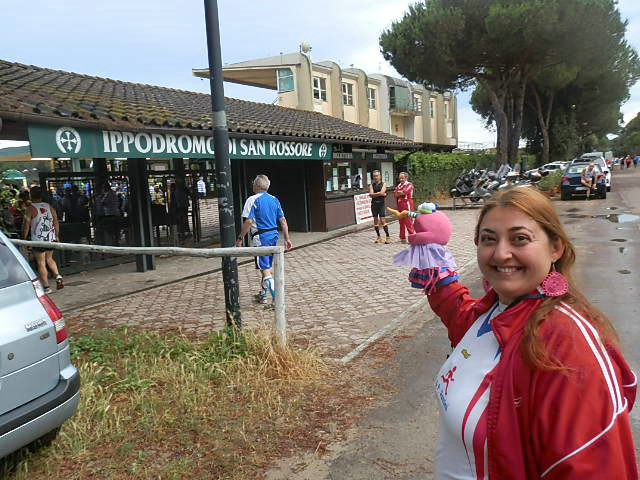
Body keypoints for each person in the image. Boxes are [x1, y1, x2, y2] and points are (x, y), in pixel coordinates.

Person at [421, 188, 636, 478]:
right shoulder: (497, 310)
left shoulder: (565, 346)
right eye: (489, 239)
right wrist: (437, 272)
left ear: (555, 248)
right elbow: (465, 321)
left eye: (519, 238)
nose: (501, 253)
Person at [235, 175, 292, 304]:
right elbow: (283, 220)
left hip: (261, 237)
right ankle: (264, 294)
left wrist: (240, 238)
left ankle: (277, 299)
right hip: (274, 236)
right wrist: (287, 238)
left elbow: (249, 221)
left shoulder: (252, 200)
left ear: (255, 185)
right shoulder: (274, 199)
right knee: (267, 266)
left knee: (264, 268)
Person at [22, 187, 63, 293]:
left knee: (41, 262)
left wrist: (24, 239)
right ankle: (57, 275)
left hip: (38, 240)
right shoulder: (49, 207)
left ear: (31, 195)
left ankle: (46, 287)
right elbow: (56, 222)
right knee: (50, 259)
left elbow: (26, 226)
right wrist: (56, 235)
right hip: (50, 238)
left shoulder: (30, 209)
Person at [94, 181, 121, 245]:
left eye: (103, 188)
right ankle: (115, 242)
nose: (103, 189)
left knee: (108, 230)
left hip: (109, 215)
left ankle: (111, 243)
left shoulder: (108, 194)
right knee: (115, 231)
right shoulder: (114, 194)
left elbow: (102, 203)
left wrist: (99, 198)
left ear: (105, 188)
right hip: (116, 214)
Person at [369, 170, 390, 244]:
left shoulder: (384, 184)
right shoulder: (372, 185)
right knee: (375, 221)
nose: (375, 177)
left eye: (377, 176)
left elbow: (382, 192)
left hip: (381, 204)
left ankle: (387, 236)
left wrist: (375, 194)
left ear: (380, 176)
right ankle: (379, 237)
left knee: (382, 220)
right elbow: (371, 195)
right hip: (374, 204)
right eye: (374, 176)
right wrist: (379, 194)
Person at [394, 171, 416, 243]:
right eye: (400, 178)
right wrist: (399, 192)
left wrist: (399, 192)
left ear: (406, 178)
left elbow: (404, 192)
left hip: (407, 204)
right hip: (400, 204)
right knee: (401, 221)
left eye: (402, 178)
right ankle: (402, 238)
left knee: (408, 221)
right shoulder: (399, 185)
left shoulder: (409, 184)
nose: (401, 179)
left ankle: (412, 237)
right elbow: (395, 194)